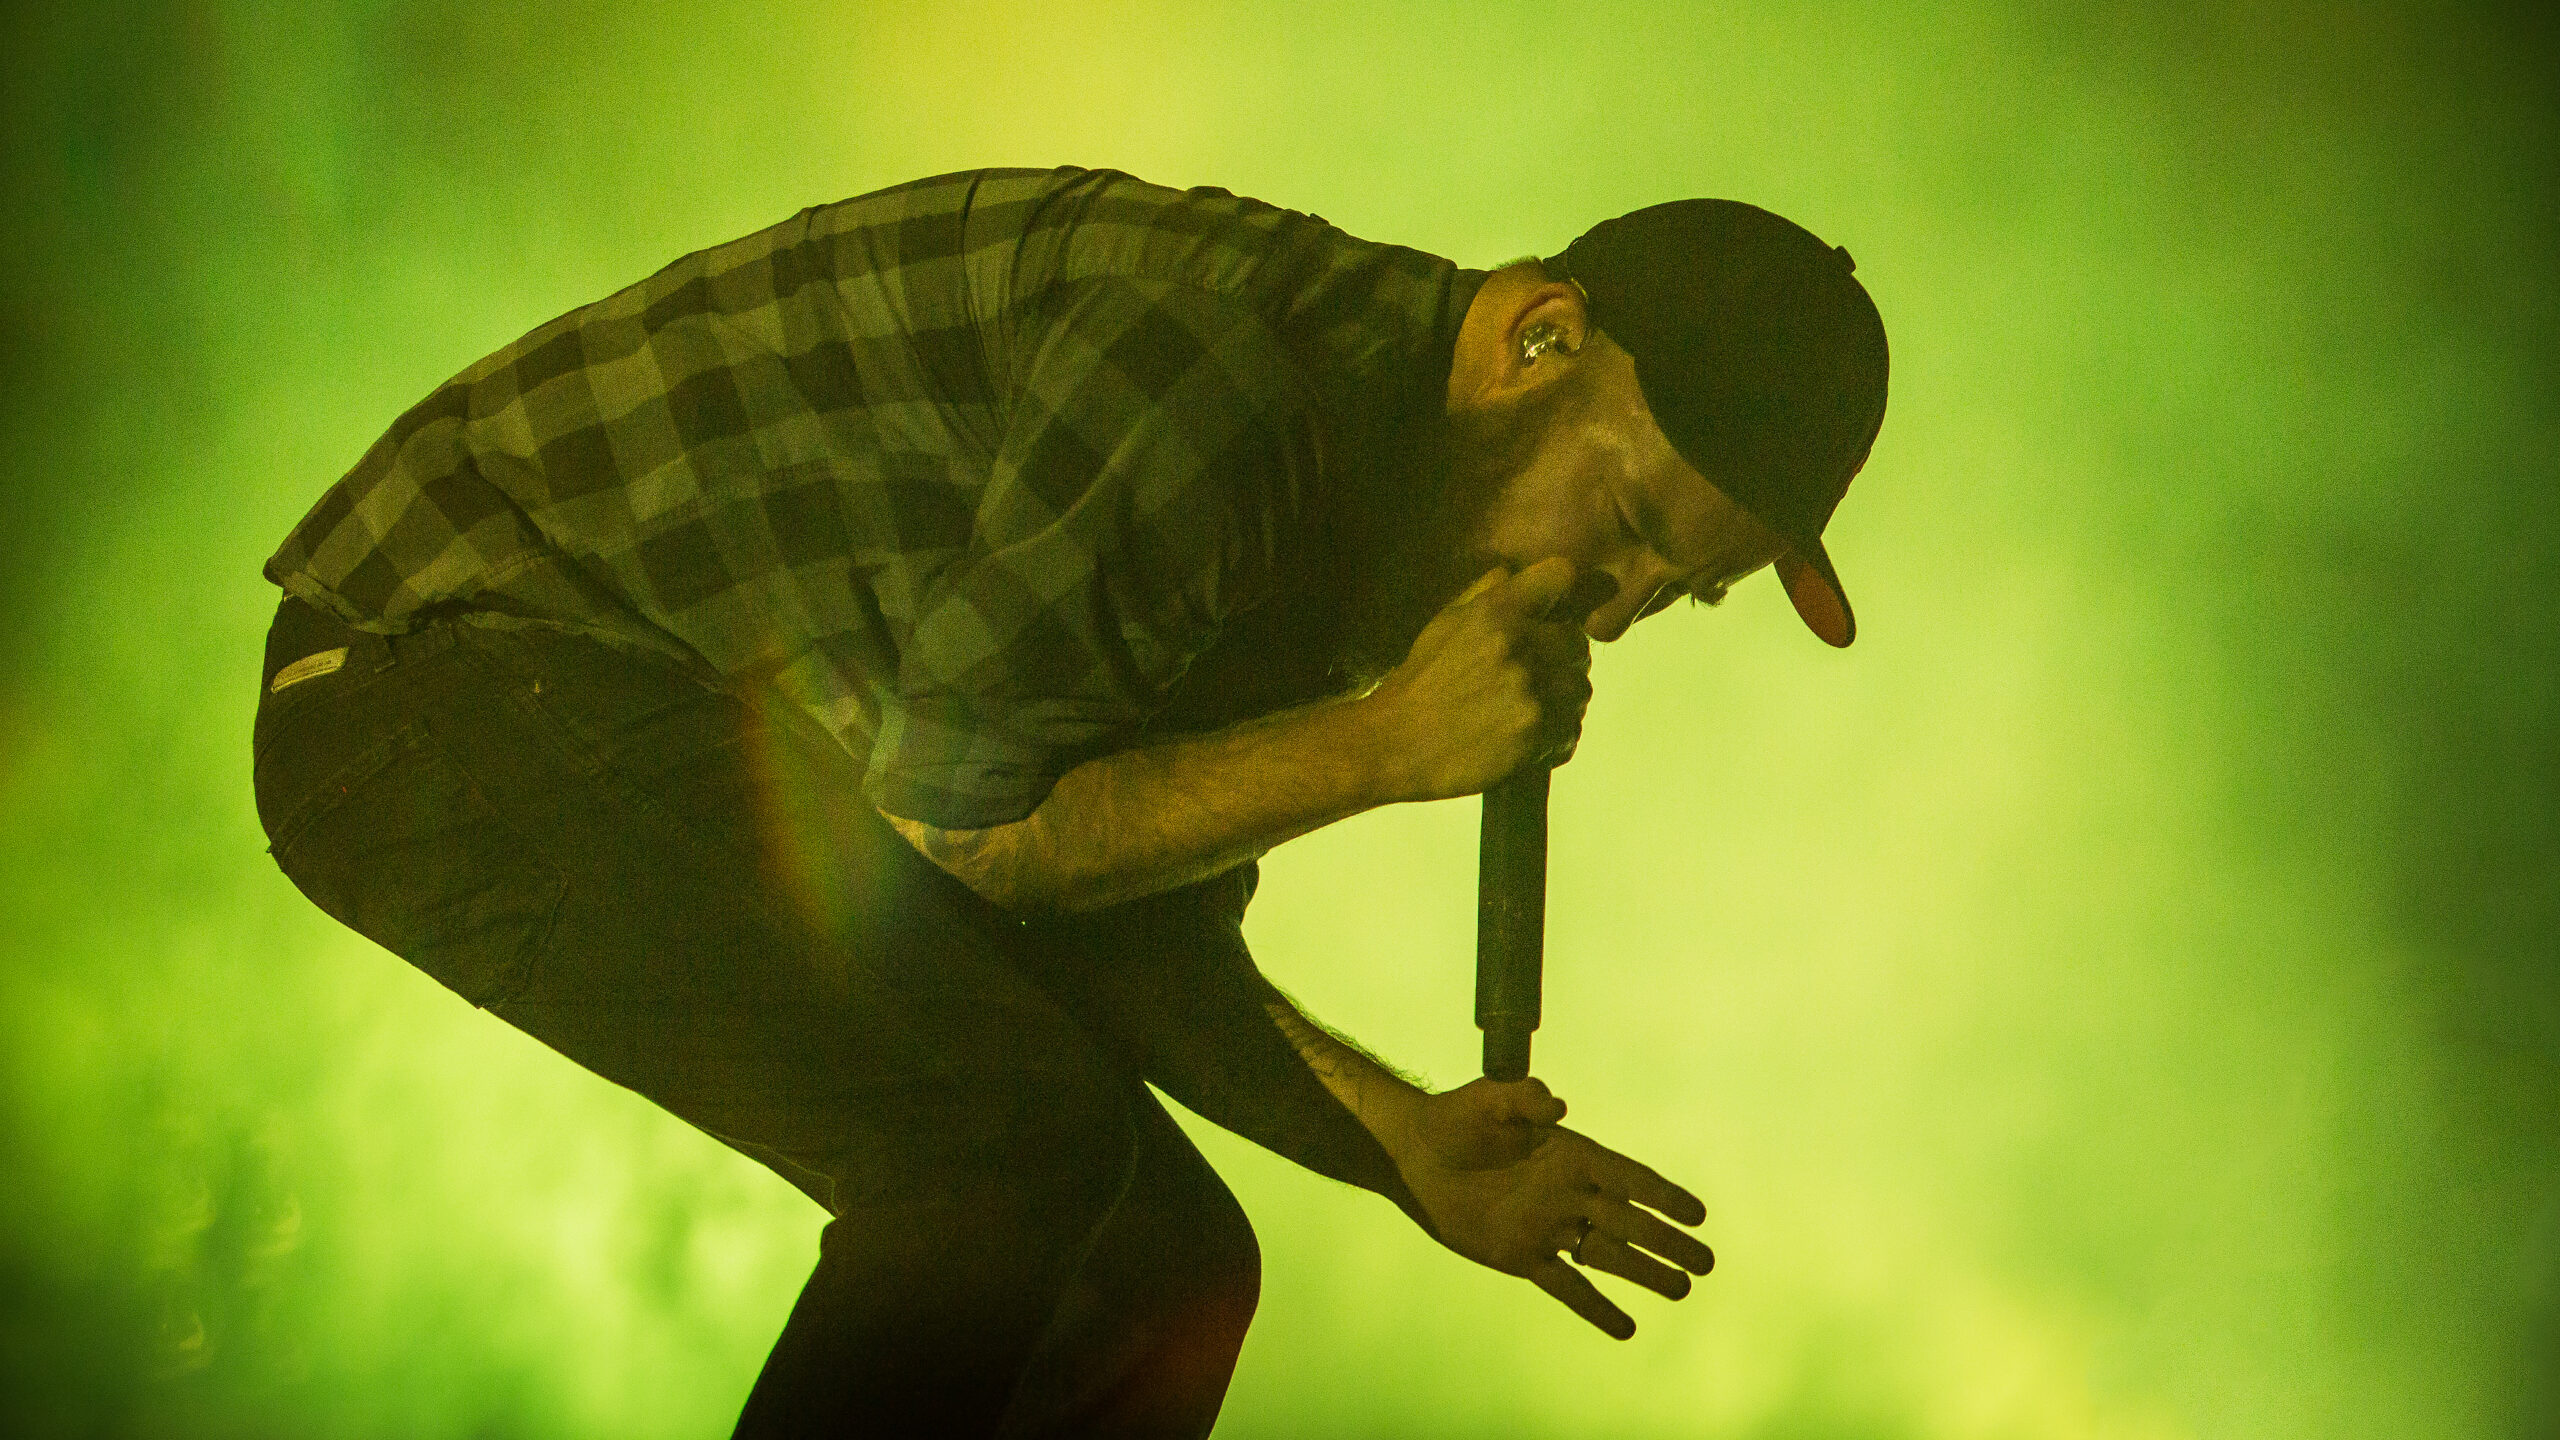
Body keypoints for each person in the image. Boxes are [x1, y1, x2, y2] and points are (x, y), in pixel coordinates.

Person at [249, 165, 1887, 1436]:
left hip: (644, 720)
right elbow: (971, 836)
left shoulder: (1362, 516)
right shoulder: (1217, 391)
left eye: (1679, 593)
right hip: (438, 674)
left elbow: (1111, 905)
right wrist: (1382, 747)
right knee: (1000, 1149)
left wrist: (1405, 1145)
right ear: (1537, 340)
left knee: (1164, 1273)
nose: (1611, 609)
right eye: (1629, 525)